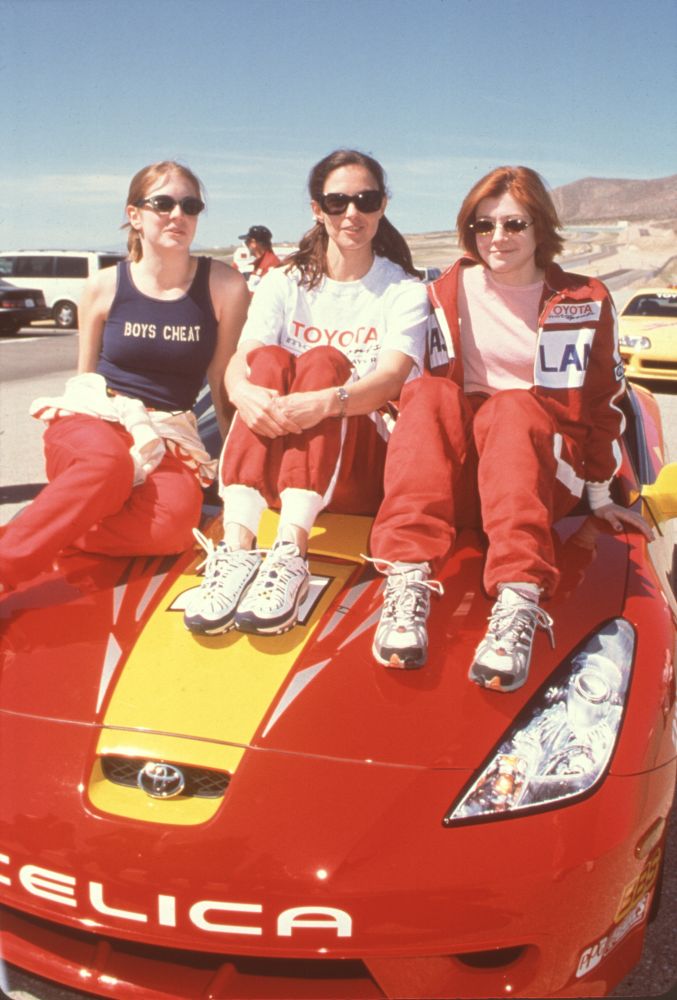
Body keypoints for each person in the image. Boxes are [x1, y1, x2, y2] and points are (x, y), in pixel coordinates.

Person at [368, 165, 651, 686]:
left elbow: (600, 402)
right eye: (484, 225)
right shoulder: (443, 293)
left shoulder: (583, 299)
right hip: (470, 480)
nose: (497, 238)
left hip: (543, 472)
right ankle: (406, 579)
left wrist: (599, 494)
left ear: (540, 228)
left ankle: (519, 597)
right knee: (427, 392)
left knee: (513, 407)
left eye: (514, 225)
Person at [183, 148, 430, 637]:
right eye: (337, 202)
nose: (352, 214)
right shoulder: (284, 280)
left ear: (383, 205)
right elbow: (244, 356)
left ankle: (291, 551)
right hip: (278, 463)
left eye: (366, 200)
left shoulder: (403, 290)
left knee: (322, 362)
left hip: (357, 465)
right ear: (318, 210)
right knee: (268, 362)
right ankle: (237, 548)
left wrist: (326, 400)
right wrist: (240, 391)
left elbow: (391, 379)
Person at [0, 160, 249, 594]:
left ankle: (50, 530)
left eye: (190, 206)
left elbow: (223, 379)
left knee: (175, 528)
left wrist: (234, 475)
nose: (178, 215)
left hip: (167, 432)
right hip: (95, 420)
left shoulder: (224, 285)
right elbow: (84, 381)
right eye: (163, 203)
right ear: (135, 214)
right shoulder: (103, 286)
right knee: (107, 465)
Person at [239, 225, 280, 292]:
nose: (246, 246)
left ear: (253, 243)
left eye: (247, 242)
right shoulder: (259, 264)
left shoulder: (272, 265)